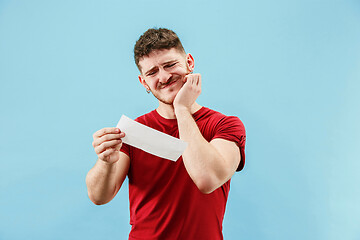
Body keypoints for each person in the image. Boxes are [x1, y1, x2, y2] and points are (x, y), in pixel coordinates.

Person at [86, 28, 246, 240]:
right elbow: (99, 196)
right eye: (152, 72)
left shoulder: (225, 125)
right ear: (144, 82)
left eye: (170, 65)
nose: (164, 77)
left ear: (189, 62)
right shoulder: (133, 131)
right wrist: (105, 161)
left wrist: (181, 109)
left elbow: (207, 179)